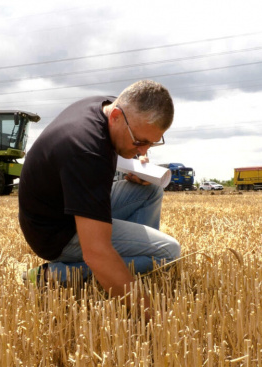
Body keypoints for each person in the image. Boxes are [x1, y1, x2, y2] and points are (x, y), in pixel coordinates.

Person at [18, 80, 181, 300]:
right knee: (168, 254)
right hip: (55, 233)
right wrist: (150, 316)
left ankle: (132, 265)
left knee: (150, 191)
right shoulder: (88, 151)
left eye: (151, 143)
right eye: (139, 141)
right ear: (115, 117)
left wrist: (136, 165)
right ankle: (58, 274)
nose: (143, 150)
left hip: (62, 207)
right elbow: (96, 252)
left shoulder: (108, 108)